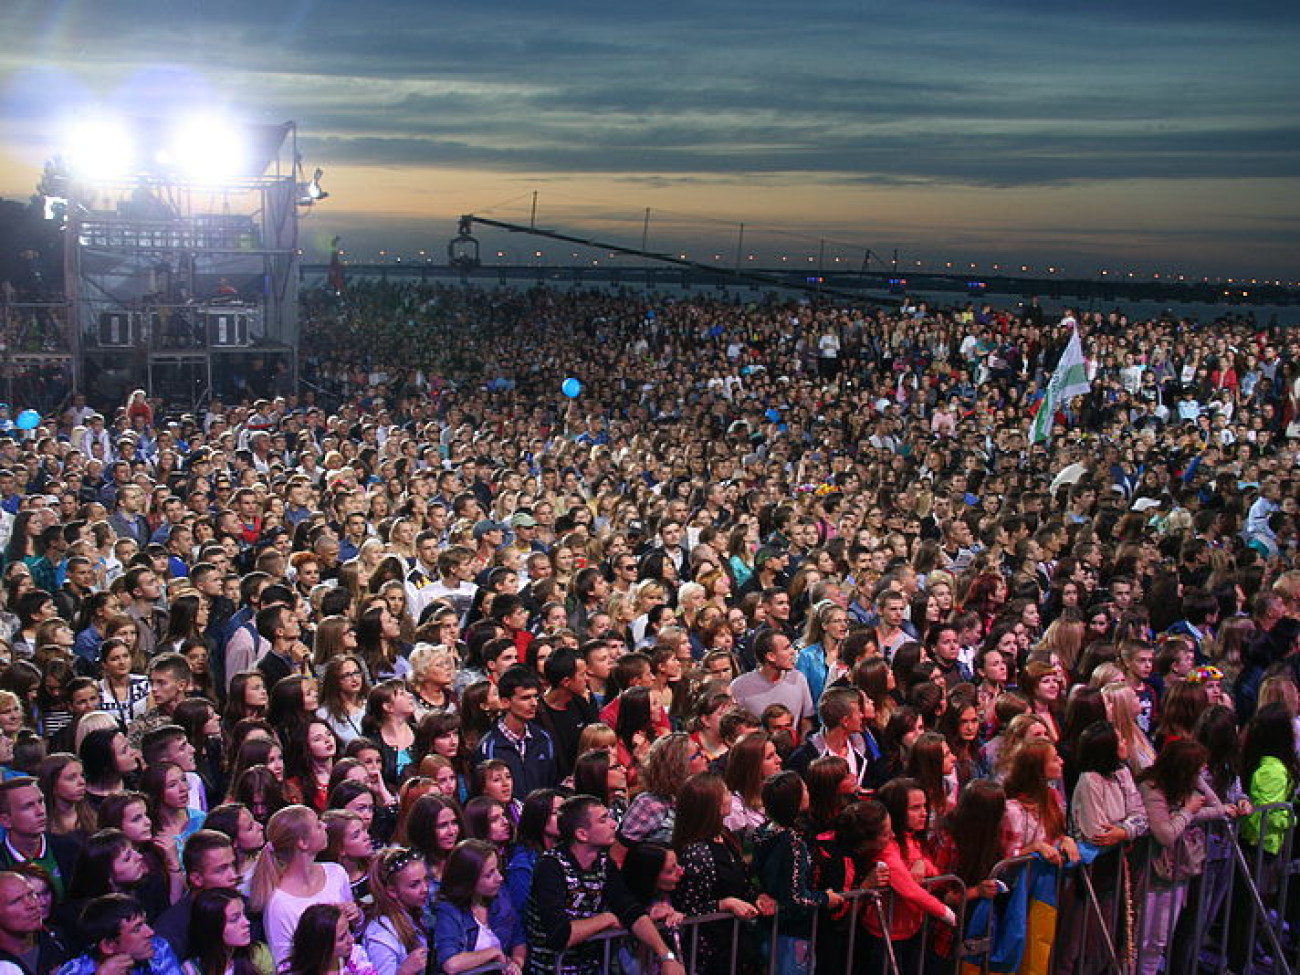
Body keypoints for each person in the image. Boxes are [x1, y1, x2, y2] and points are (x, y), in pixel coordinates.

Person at [524, 794, 686, 975]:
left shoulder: (603, 862)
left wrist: (665, 955)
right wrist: (606, 919)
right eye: (603, 820)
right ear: (582, 834)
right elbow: (560, 934)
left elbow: (629, 908)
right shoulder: (550, 867)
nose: (613, 824)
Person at [1135, 739, 1227, 975]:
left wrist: (1196, 786)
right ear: (1182, 769)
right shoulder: (1151, 787)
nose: (1204, 771)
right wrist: (1187, 812)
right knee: (1140, 941)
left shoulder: (1183, 787)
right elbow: (1165, 834)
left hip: (1176, 876)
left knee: (1160, 941)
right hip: (1152, 876)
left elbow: (1218, 809)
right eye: (1198, 769)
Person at [671, 772, 773, 975]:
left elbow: (741, 882)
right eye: (726, 793)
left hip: (734, 947)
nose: (731, 797)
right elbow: (687, 910)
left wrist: (756, 897)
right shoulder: (696, 853)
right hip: (708, 956)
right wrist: (724, 904)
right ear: (713, 805)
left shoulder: (725, 836)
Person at [864, 777, 956, 973]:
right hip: (886, 937)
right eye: (915, 808)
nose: (924, 813)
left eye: (924, 806)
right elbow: (909, 889)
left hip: (912, 932)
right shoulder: (887, 847)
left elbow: (935, 874)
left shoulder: (913, 839)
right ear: (897, 811)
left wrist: (922, 863)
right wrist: (945, 913)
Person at [249, 805, 359, 966]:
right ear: (303, 842)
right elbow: (284, 963)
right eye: (317, 824)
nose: (325, 826)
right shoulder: (279, 904)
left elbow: (352, 935)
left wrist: (356, 916)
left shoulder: (336, 873)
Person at [431, 839, 525, 975]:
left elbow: (519, 939)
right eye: (489, 874)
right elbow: (450, 964)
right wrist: (493, 953)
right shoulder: (449, 911)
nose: (499, 878)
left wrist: (516, 964)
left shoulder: (501, 895)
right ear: (468, 881)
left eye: (497, 869)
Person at [152, 830, 239, 961]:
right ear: (197, 879)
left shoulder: (244, 908)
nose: (234, 876)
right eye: (222, 869)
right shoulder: (171, 932)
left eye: (233, 865)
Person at [475, 665, 559, 798]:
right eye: (525, 698)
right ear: (505, 702)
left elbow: (551, 785)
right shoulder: (489, 747)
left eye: (535, 697)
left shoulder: (544, 738)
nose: (534, 703)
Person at [55, 893, 183, 975]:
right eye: (137, 929)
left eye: (145, 923)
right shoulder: (74, 971)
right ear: (108, 945)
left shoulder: (158, 948)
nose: (150, 932)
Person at [730, 629, 815, 740]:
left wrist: (802, 746)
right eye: (786, 648)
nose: (793, 652)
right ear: (771, 656)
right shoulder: (739, 686)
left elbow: (806, 720)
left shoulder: (798, 679)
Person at [361, 847, 429, 975]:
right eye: (415, 885)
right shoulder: (381, 936)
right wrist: (405, 971)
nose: (425, 889)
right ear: (392, 891)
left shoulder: (417, 913)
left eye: (426, 879)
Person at [181, 888, 273, 975]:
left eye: (243, 914)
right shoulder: (191, 970)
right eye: (234, 919)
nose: (247, 922)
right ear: (213, 927)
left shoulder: (258, 955)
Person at [279, 903, 376, 975]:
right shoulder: (289, 970)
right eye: (342, 938)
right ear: (321, 945)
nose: (351, 940)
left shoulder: (356, 956)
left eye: (349, 930)